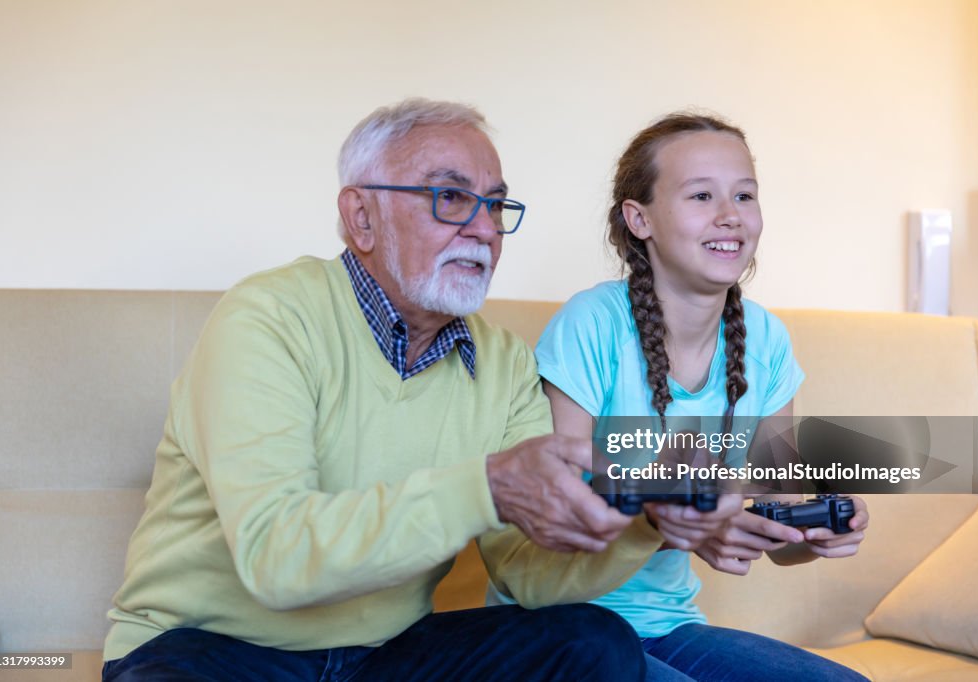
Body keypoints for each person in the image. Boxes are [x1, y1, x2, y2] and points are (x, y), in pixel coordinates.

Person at [100, 98, 656, 681]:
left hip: (384, 657)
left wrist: (649, 522)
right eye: (452, 197)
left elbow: (527, 571)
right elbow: (276, 557)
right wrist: (485, 486)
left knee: (593, 642)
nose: (487, 229)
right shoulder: (267, 317)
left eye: (495, 205)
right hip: (214, 650)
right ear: (362, 216)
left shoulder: (505, 362)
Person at [494, 112, 870, 681]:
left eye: (744, 195)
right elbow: (559, 511)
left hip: (667, 624)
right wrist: (686, 525)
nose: (730, 216)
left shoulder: (765, 340)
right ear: (638, 219)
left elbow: (778, 512)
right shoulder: (590, 325)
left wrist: (813, 531)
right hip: (562, 626)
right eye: (701, 195)